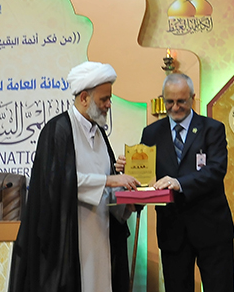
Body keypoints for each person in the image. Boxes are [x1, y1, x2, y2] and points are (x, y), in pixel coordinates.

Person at [9, 61, 140, 292]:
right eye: (104, 99)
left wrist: (127, 202)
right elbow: (56, 182)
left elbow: (105, 191)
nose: (109, 105)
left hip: (102, 237)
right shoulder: (58, 130)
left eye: (109, 99)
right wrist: (109, 180)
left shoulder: (100, 134)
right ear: (84, 98)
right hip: (68, 242)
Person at [116, 73, 234, 292]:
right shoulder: (152, 133)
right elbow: (143, 174)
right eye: (169, 101)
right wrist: (128, 170)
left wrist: (179, 183)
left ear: (193, 98)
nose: (175, 107)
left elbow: (216, 171)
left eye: (181, 101)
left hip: (212, 229)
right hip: (172, 231)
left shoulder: (212, 129)